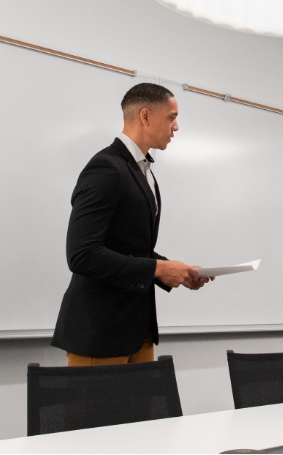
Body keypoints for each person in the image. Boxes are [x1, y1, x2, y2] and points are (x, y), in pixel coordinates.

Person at [51, 83, 212, 366]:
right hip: (101, 334)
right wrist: (160, 268)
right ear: (146, 116)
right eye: (172, 117)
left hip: (138, 331)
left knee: (146, 412)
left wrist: (175, 271)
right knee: (96, 413)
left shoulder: (143, 171)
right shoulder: (106, 168)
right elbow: (82, 255)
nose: (176, 127)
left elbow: (129, 248)